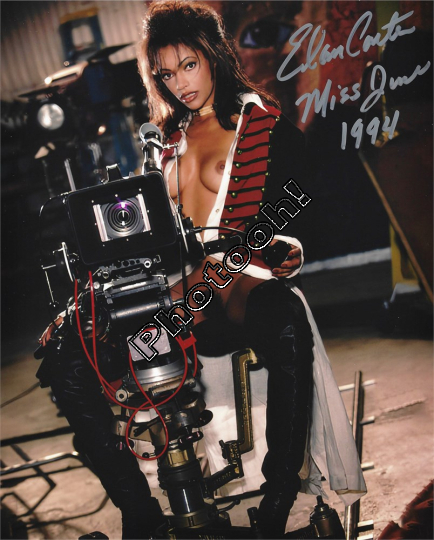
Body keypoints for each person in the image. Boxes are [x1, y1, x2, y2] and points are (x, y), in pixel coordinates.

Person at [40, 2, 365, 538]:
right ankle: (140, 514)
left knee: (284, 318)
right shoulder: (162, 141)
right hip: (170, 296)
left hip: (235, 281)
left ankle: (277, 502)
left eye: (188, 65)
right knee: (66, 362)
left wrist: (289, 245)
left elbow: (302, 208)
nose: (179, 83)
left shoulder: (264, 127)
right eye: (166, 73)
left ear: (213, 55)